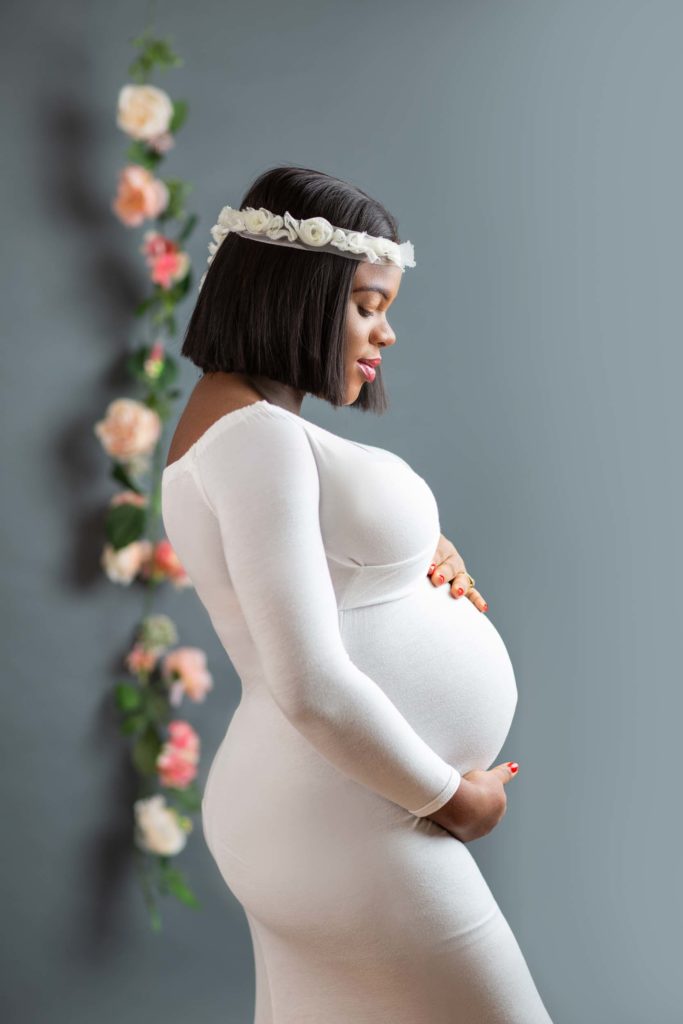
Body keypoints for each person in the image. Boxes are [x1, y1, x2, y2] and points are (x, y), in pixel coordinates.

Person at [161, 165, 554, 1023]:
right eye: (368, 306)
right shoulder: (255, 440)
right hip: (349, 818)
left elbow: (318, 567)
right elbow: (308, 681)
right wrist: (458, 802)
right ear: (296, 292)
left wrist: (418, 545)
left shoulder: (243, 431)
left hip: (326, 810)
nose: (387, 335)